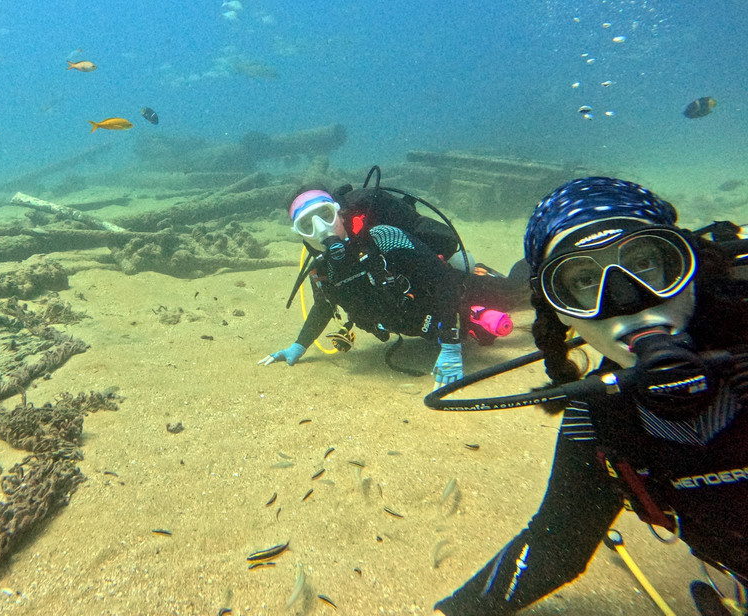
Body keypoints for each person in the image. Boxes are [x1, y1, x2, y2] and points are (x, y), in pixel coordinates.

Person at [434, 177, 748, 616]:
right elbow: (554, 546)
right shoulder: (602, 419)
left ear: (687, 261)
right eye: (583, 281)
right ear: (558, 312)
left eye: (644, 261)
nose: (626, 300)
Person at [259, 183, 524, 388]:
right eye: (307, 225)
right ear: (300, 234)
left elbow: (446, 281)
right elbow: (325, 304)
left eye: (325, 216)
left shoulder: (384, 236)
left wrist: (451, 346)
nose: (320, 229)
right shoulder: (322, 267)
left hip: (457, 300)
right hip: (423, 326)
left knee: (522, 292)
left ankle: (549, 264)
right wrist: (299, 346)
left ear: (338, 213)